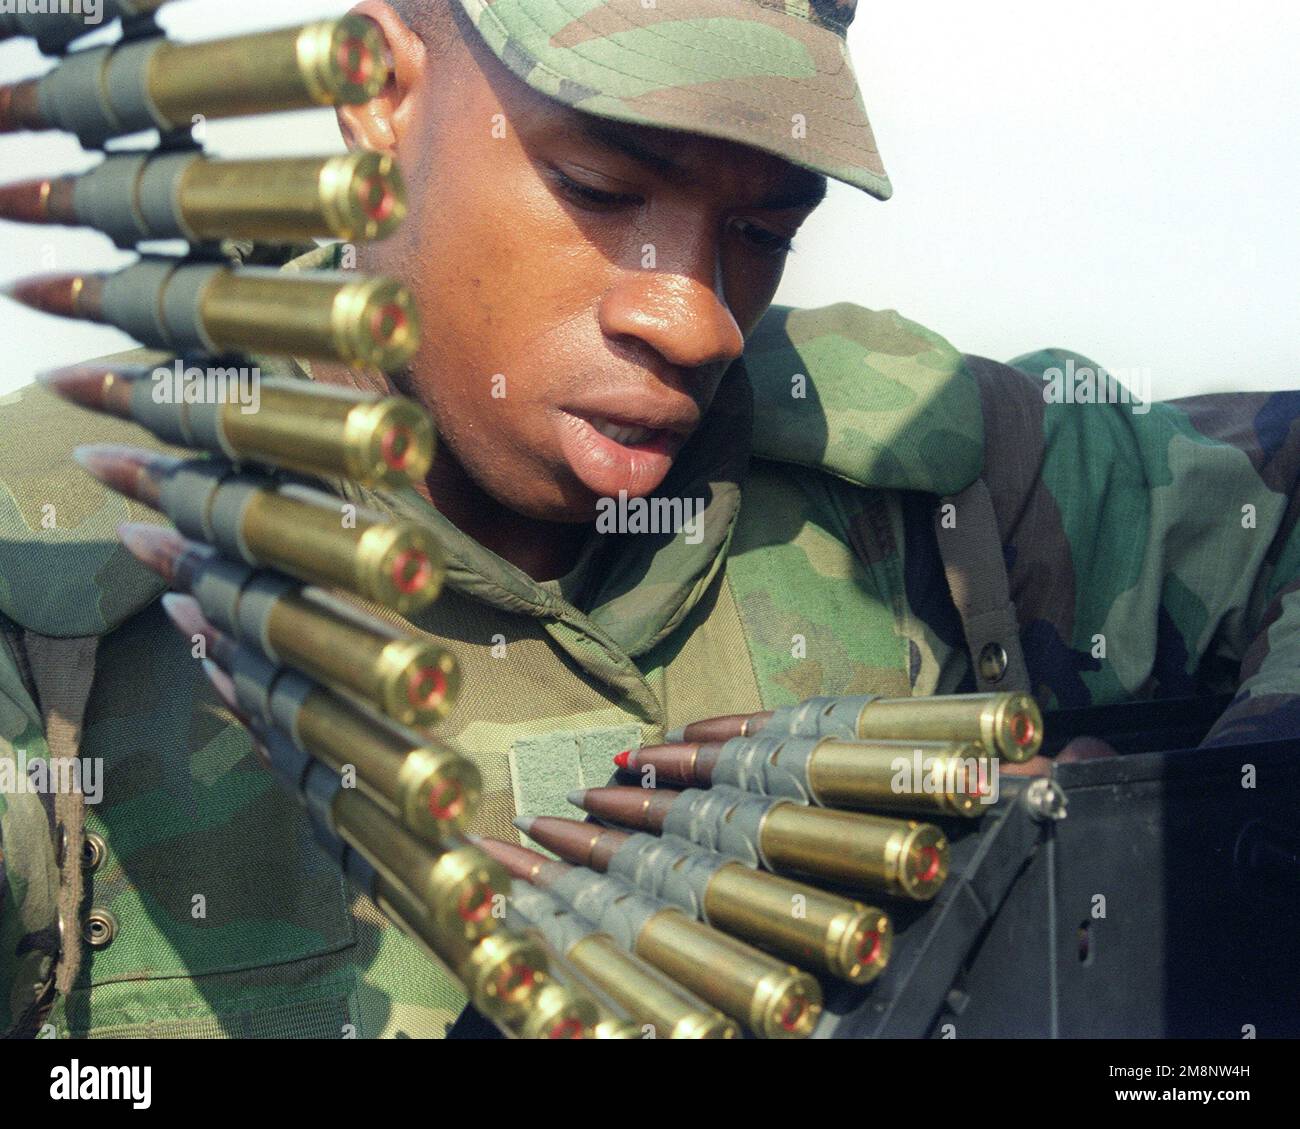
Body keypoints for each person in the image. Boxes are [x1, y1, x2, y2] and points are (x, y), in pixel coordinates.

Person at [1, 0, 1296, 1039]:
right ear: (381, 89)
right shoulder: (51, 564)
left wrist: (1185, 828)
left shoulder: (926, 458)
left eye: (757, 226)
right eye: (603, 187)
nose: (695, 316)